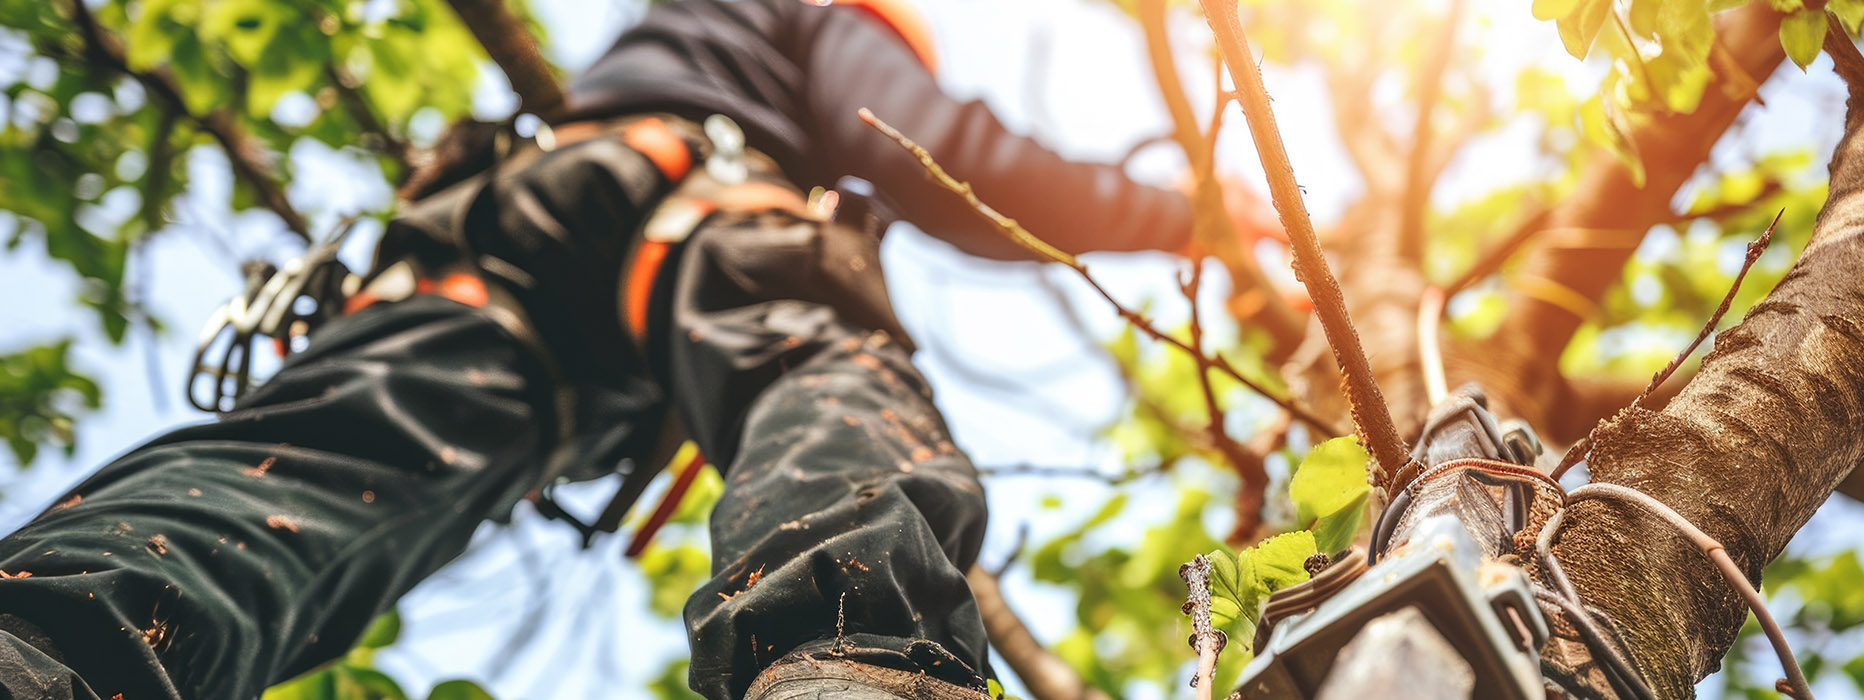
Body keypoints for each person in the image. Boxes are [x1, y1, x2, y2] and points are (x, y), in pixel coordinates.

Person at [0, 1, 1271, 698]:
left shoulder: (669, 26)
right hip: (710, 216)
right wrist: (1191, 216)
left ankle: (48, 643)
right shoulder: (819, 21)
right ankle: (862, 674)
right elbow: (946, 159)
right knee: (816, 388)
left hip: (506, 223)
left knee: (325, 459)